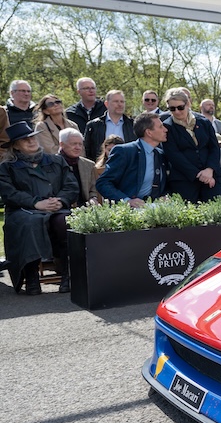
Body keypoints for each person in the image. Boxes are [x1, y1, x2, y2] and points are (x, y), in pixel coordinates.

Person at [0, 121, 80, 295]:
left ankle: (68, 275)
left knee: (66, 221)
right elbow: (9, 194)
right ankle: (31, 277)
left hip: (56, 208)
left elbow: (71, 186)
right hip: (23, 210)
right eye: (24, 139)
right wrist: (36, 203)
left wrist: (60, 201)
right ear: (15, 146)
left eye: (32, 137)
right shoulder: (7, 167)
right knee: (29, 222)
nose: (31, 141)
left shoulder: (56, 161)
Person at [160, 89, 221, 202]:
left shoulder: (204, 122)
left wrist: (209, 169)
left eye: (180, 107)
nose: (177, 112)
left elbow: (214, 148)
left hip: (211, 176)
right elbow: (173, 155)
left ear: (188, 104)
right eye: (172, 109)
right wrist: (198, 175)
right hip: (184, 179)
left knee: (215, 215)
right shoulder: (167, 126)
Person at [95, 112, 168, 207]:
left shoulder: (160, 154)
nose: (165, 130)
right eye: (161, 127)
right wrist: (126, 201)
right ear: (149, 132)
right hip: (128, 212)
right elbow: (103, 183)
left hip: (154, 210)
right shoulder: (125, 152)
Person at [84, 90, 135, 161]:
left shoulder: (133, 125)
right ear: (106, 104)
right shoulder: (94, 125)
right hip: (101, 168)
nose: (120, 104)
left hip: (127, 167)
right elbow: (87, 151)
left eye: (122, 102)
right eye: (116, 101)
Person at [57, 128, 100, 206]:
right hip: (62, 208)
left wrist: (93, 198)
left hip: (86, 208)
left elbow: (93, 190)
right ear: (62, 144)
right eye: (74, 144)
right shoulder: (52, 164)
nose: (78, 147)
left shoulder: (89, 165)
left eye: (80, 144)